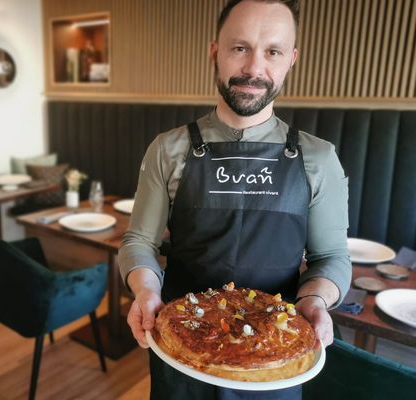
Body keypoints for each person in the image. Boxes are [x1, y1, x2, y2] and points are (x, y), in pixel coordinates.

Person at [119, 0, 351, 399]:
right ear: (215, 51)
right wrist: (145, 291)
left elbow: (332, 258)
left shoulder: (319, 158)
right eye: (239, 48)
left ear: (291, 59)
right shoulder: (168, 149)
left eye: (273, 51)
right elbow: (139, 242)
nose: (253, 68)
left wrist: (314, 300)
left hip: (275, 359)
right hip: (181, 349)